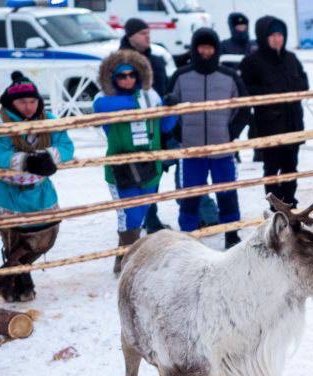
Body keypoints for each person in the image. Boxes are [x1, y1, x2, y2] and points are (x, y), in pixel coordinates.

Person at [0, 73, 74, 302]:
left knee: (46, 236)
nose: (29, 106)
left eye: (32, 101)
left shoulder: (49, 119)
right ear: (11, 103)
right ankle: (19, 281)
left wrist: (50, 157)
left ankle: (9, 269)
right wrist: (27, 161)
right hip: (7, 193)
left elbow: (66, 145)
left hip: (41, 191)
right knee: (13, 237)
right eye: (22, 102)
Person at [94, 50, 176, 272]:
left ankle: (132, 260)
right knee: (130, 216)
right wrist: (140, 103)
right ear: (113, 79)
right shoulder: (104, 99)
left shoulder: (150, 96)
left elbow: (165, 126)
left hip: (150, 167)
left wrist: (171, 109)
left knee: (141, 214)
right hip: (122, 169)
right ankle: (123, 262)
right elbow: (102, 109)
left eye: (132, 74)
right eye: (122, 76)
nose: (128, 79)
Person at [169, 28, 249, 244]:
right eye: (201, 47)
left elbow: (244, 108)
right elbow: (169, 108)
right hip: (192, 151)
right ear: (195, 49)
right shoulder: (181, 76)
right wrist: (180, 132)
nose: (206, 51)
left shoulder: (229, 77)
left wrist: (230, 133)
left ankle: (232, 234)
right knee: (190, 197)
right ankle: (188, 237)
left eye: (210, 47)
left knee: (227, 194)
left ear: (216, 49)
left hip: (222, 151)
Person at [239, 15, 309, 209]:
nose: (277, 38)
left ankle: (290, 202)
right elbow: (246, 90)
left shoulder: (291, 59)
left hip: (293, 122)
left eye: (280, 34)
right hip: (269, 125)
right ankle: (276, 206)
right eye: (272, 35)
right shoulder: (252, 61)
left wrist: (293, 89)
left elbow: (304, 83)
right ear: (263, 36)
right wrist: (272, 94)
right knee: (271, 168)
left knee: (291, 167)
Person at [119, 17, 171, 232]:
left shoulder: (157, 60)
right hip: (130, 128)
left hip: (156, 126)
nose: (147, 37)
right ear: (131, 36)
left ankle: (151, 218)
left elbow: (164, 91)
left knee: (153, 174)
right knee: (132, 175)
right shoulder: (120, 62)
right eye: (142, 33)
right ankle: (134, 224)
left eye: (148, 33)